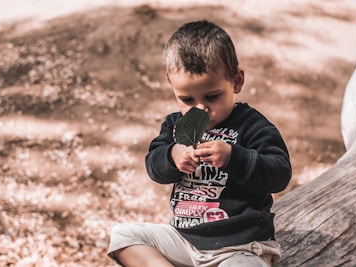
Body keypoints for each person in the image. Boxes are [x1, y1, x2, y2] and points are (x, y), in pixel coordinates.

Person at [108, 20, 292, 267]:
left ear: (236, 82)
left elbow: (279, 174)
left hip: (239, 247)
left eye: (212, 96)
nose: (201, 108)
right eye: (186, 99)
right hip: (185, 239)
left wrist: (234, 157)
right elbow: (153, 165)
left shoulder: (253, 125)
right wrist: (173, 155)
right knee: (123, 236)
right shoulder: (174, 125)